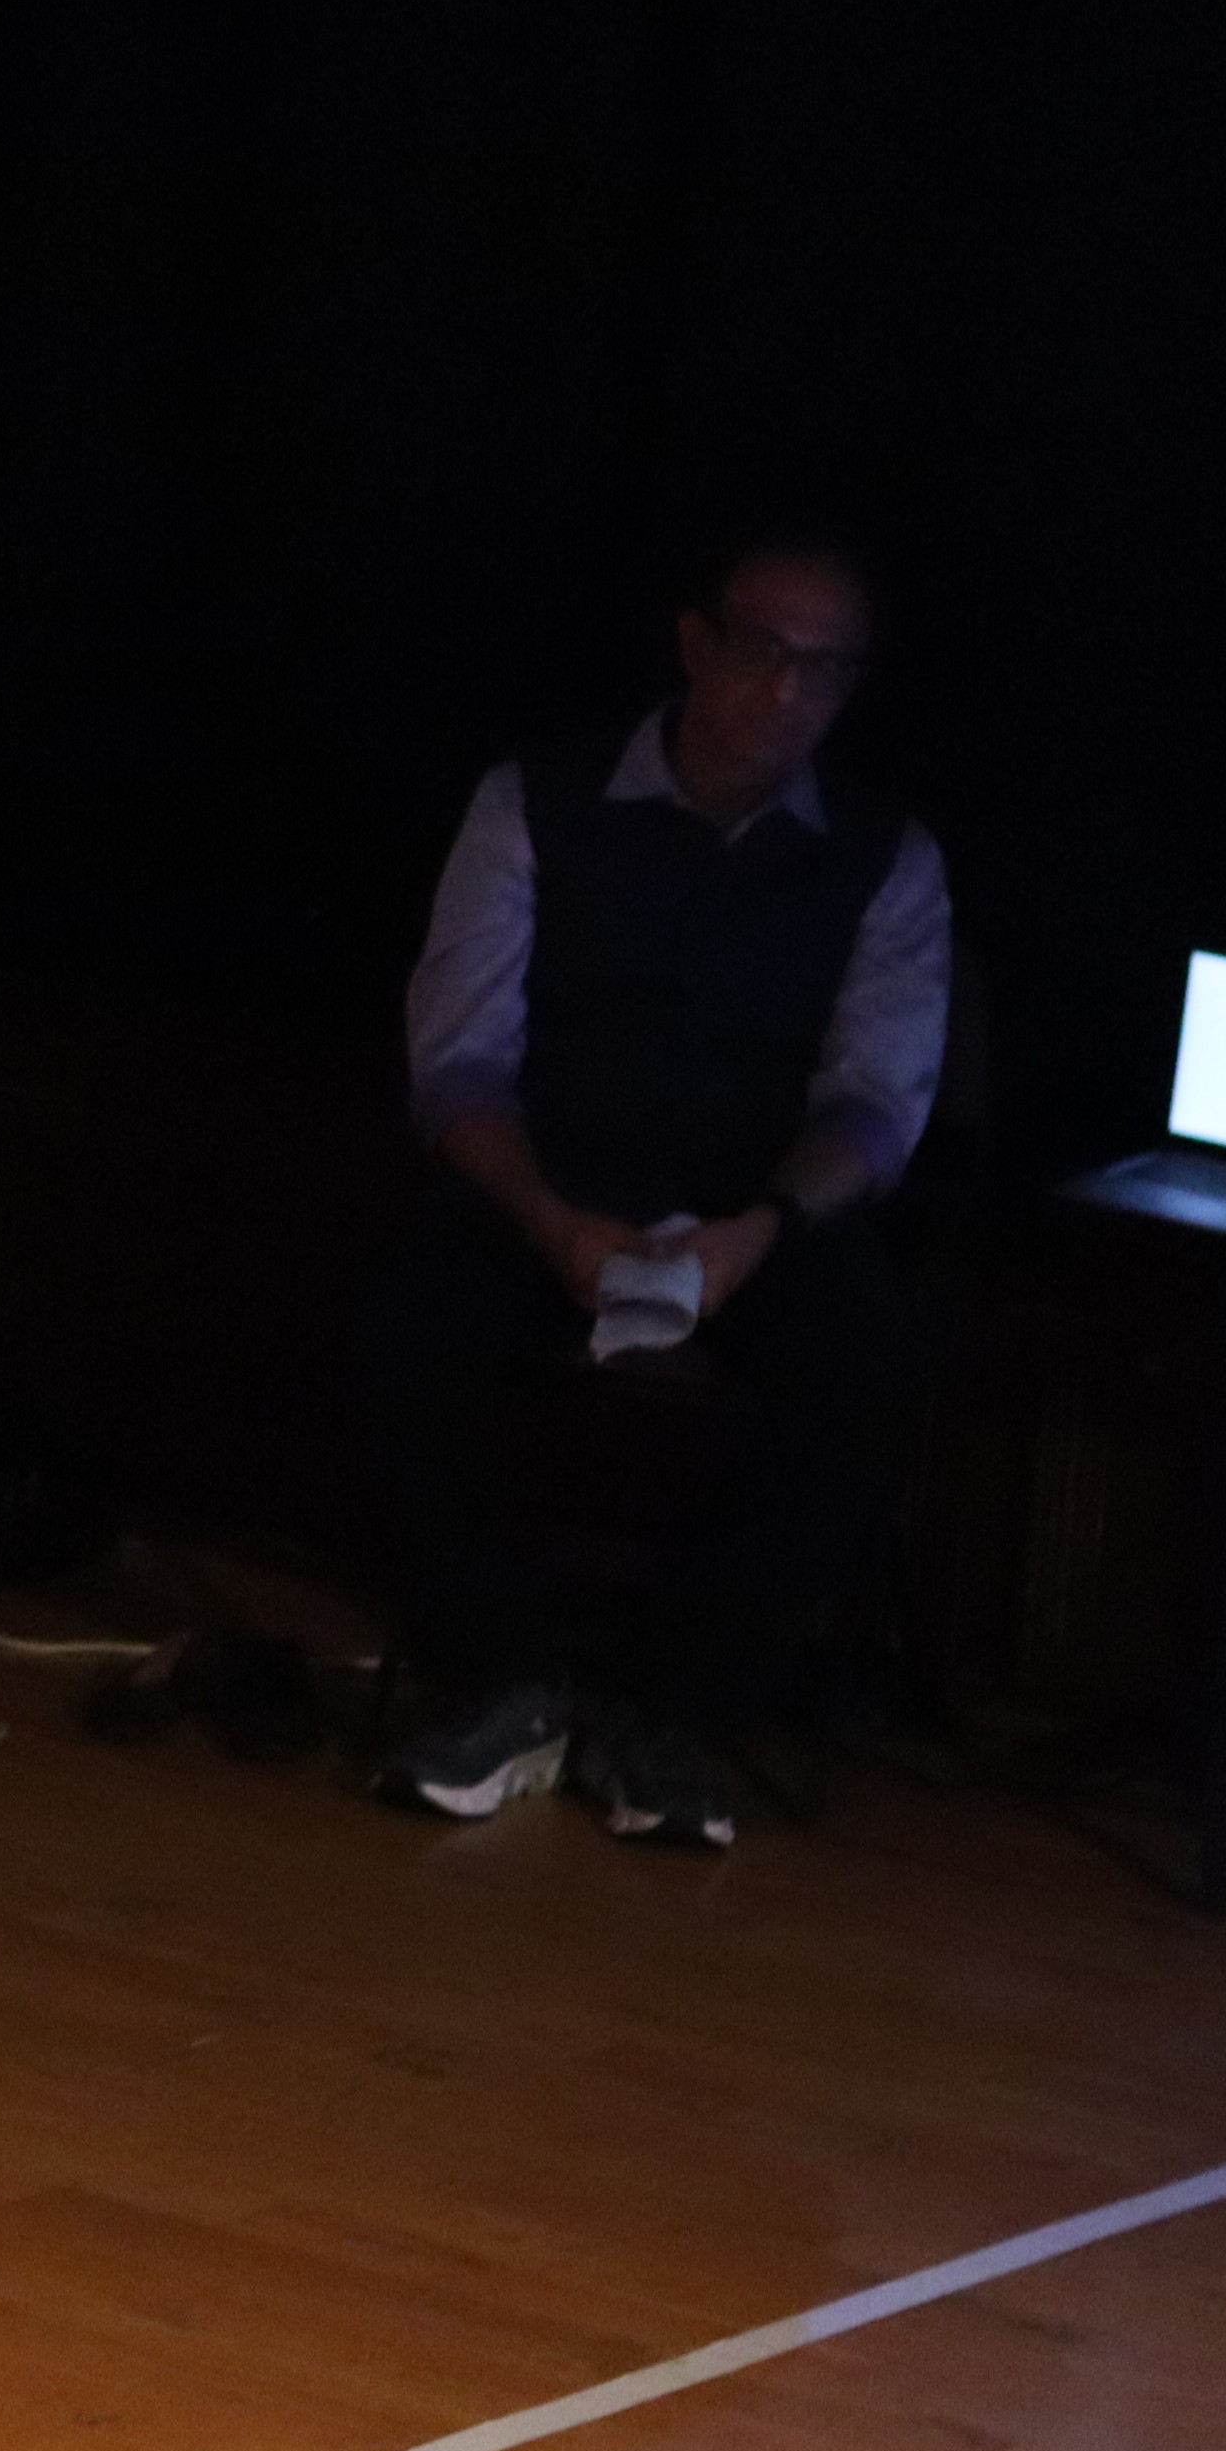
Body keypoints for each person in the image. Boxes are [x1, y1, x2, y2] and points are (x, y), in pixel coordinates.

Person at [367, 531, 950, 1851]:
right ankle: (505, 1674)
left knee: (868, 1372)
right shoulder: (537, 800)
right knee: (406, 1334)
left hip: (755, 1209)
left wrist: (759, 1232)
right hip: (551, 1181)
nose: (789, 694)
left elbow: (876, 1102)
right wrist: (549, 1218)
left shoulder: (884, 858)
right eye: (765, 654)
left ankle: (671, 1706)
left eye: (827, 670)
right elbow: (458, 1061)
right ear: (697, 645)